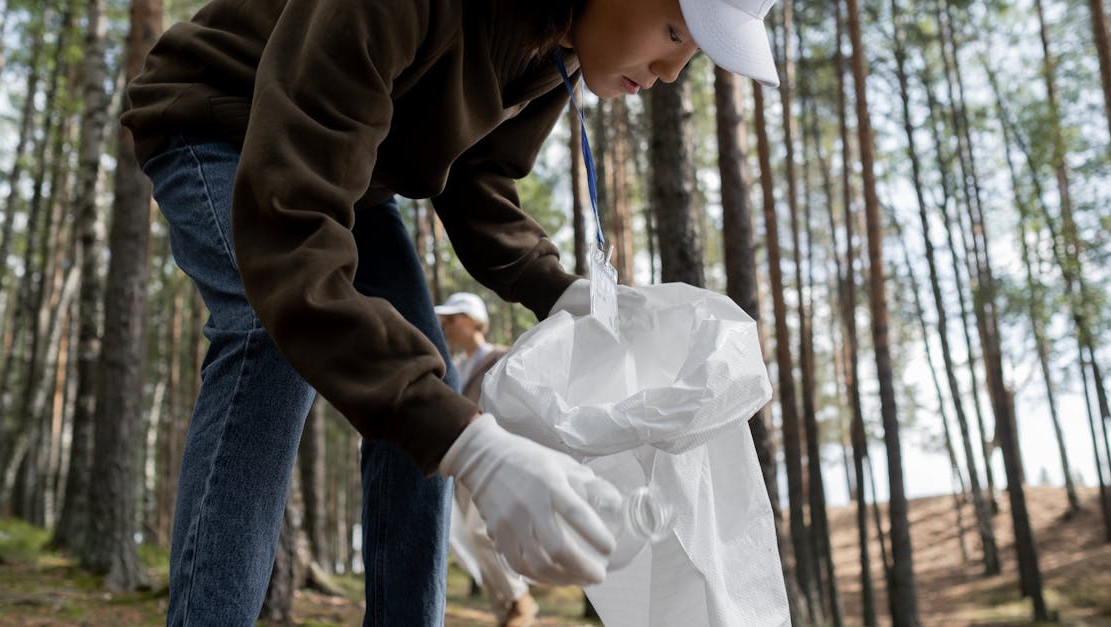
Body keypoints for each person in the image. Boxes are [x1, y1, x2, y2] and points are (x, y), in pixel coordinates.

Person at [120, 0, 778, 623]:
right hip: (223, 122)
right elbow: (290, 223)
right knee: (267, 337)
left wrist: (560, 291)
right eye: (674, 32)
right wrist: (475, 450)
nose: (671, 72)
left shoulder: (559, 36)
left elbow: (475, 173)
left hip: (349, 172)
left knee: (426, 386)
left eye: (692, 52)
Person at [435, 292, 536, 626]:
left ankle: (519, 600)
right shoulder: (456, 367)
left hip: (495, 457)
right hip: (464, 464)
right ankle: (504, 611)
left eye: (452, 320)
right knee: (472, 540)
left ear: (472, 321)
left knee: (481, 532)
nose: (446, 327)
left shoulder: (500, 358)